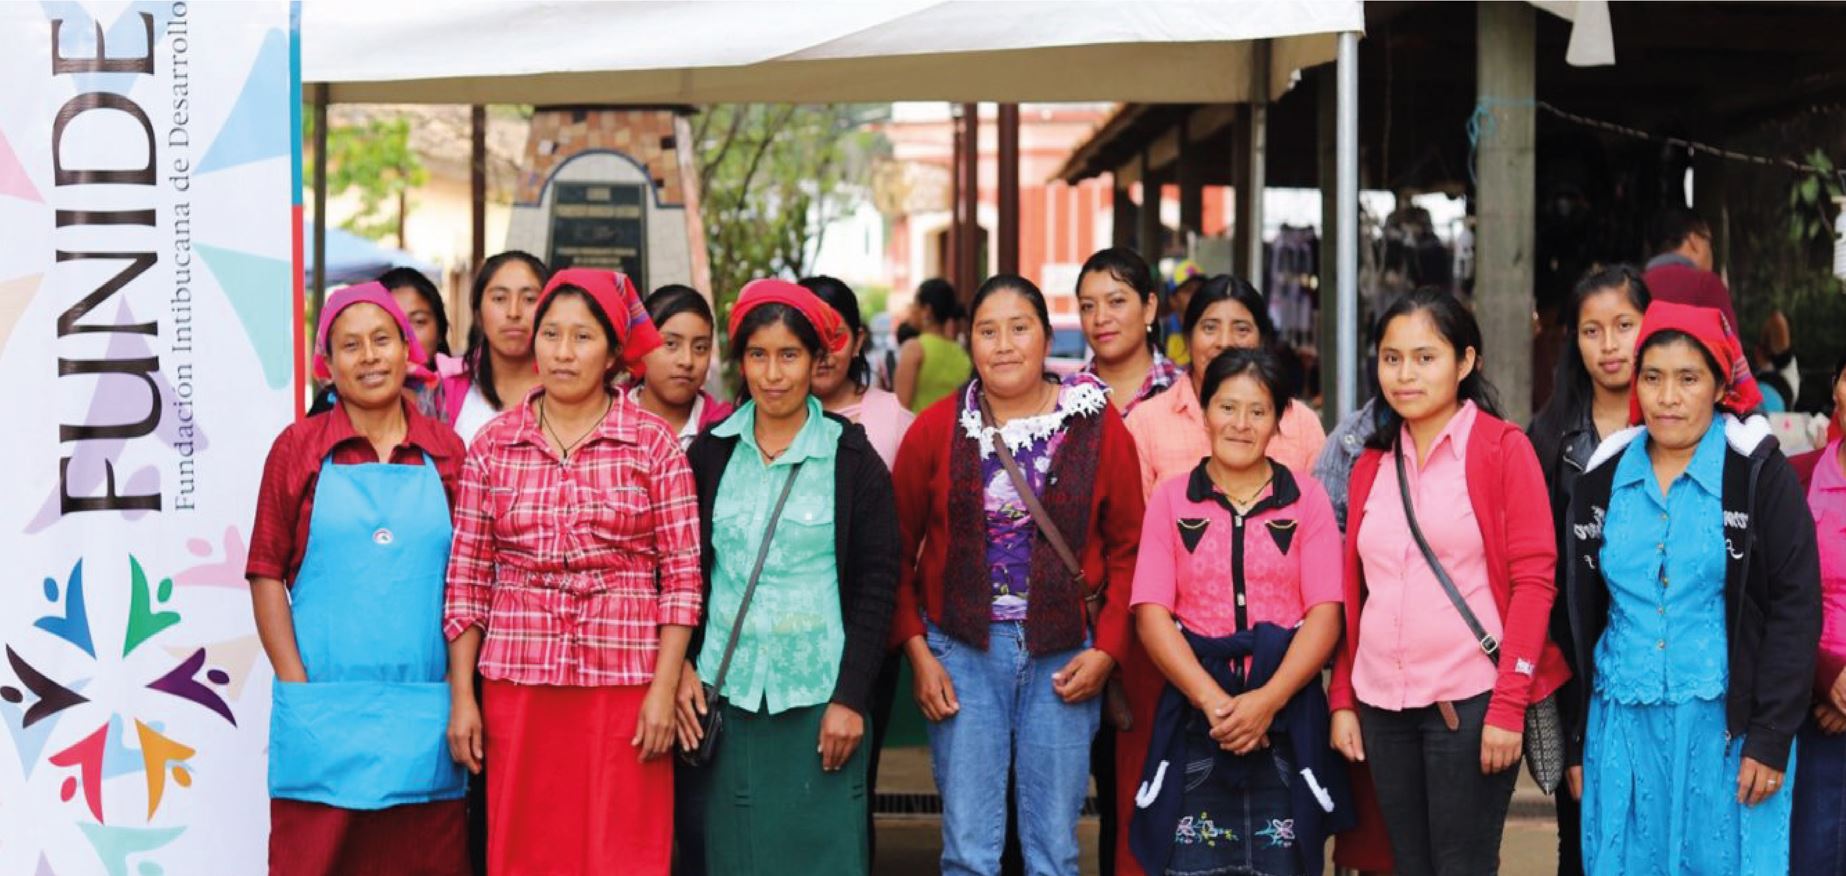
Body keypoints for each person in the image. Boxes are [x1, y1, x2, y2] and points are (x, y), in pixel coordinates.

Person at [443, 269, 697, 875]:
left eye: (582, 337)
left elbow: (683, 579)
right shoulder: (493, 446)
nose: (562, 351)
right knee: (528, 847)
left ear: (611, 354)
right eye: (551, 334)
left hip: (627, 681)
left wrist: (663, 690)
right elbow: (466, 581)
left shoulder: (654, 444)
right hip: (520, 681)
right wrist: (463, 699)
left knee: (622, 849)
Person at [891, 274, 1145, 875]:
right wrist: (920, 656)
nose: (1004, 345)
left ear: (1046, 338)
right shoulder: (935, 428)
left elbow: (1131, 550)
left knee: (1054, 851)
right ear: (969, 341)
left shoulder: (1096, 425)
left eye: (1019, 328)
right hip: (961, 655)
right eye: (988, 331)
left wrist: (1107, 651)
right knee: (969, 851)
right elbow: (894, 553)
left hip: (1066, 657)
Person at [1561, 301, 1820, 875]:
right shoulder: (1603, 476)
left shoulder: (1755, 473)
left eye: (1688, 379)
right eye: (1653, 378)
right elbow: (1577, 610)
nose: (1668, 397)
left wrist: (1771, 735)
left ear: (1721, 386)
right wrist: (1576, 736)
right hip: (1622, 728)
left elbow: (1795, 605)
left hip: (1727, 735)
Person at [1326, 287, 1570, 876]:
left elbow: (1534, 582)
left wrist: (1508, 707)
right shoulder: (1369, 464)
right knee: (1406, 865)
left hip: (1470, 703)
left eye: (1425, 357)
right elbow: (1359, 595)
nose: (1405, 374)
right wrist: (1343, 700)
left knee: (1462, 865)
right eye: (1392, 358)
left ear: (1465, 362)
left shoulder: (1502, 450)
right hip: (1382, 704)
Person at [672, 279, 901, 876]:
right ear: (740, 362)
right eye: (758, 355)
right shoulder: (709, 455)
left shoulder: (852, 460)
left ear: (817, 360)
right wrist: (683, 667)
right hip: (726, 701)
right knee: (733, 858)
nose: (772, 374)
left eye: (789, 355)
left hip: (820, 707)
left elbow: (877, 586)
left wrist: (851, 698)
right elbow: (681, 572)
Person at [248, 282, 469, 876]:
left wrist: (460, 689)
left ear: (407, 348)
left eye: (381, 340)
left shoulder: (448, 451)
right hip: (322, 713)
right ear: (327, 362)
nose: (369, 357)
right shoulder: (297, 449)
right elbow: (266, 573)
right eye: (350, 345)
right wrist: (295, 685)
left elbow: (469, 582)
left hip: (424, 715)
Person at [1126, 347, 1353, 876]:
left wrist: (1266, 702)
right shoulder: (1171, 500)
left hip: (1288, 720)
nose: (1241, 424)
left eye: (1258, 411)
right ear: (1205, 413)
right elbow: (1151, 613)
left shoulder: (1308, 500)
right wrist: (1215, 704)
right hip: (1196, 722)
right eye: (1227, 407)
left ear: (1279, 419)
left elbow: (1326, 612)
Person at [1525, 264, 1650, 876]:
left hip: (1663, 660)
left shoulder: (1679, 427)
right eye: (1591, 330)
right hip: (1578, 668)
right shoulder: (1549, 439)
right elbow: (1537, 570)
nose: (1610, 345)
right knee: (1582, 838)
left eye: (1625, 325)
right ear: (1572, 340)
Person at [1127, 275, 1328, 499]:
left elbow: (1318, 513)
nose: (1224, 343)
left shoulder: (1301, 424)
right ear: (1188, 337)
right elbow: (1133, 520)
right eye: (1210, 328)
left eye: (1241, 329)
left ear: (1262, 341)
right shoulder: (1146, 424)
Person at [1792, 353, 1846, 872]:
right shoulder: (1795, 479)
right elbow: (1773, 597)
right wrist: (1825, 677)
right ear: (1836, 386)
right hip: (1813, 717)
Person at [801, 275, 917, 469]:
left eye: (835, 336)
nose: (822, 352)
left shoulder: (895, 419)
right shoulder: (762, 419)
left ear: (857, 342)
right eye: (810, 337)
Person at [446, 251, 548, 445]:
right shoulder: (446, 392)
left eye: (529, 299)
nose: (514, 313)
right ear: (478, 313)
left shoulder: (568, 389)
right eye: (500, 298)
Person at [1077, 247, 1183, 417]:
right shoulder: (1064, 400)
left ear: (1149, 308)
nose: (1100, 318)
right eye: (1088, 306)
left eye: (1116, 301)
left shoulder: (1184, 392)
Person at [632, 283, 733, 448]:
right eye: (671, 344)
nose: (687, 361)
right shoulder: (604, 416)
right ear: (642, 344)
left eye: (700, 348)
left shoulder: (726, 431)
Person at [1641, 207, 1740, 335]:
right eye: (1709, 242)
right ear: (1693, 240)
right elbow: (1731, 344)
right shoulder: (1705, 284)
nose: (1711, 251)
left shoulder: (1632, 287)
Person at [894, 277, 973, 413]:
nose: (912, 309)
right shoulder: (962, 354)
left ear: (927, 310)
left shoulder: (914, 348)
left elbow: (901, 408)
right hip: (953, 426)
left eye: (915, 304)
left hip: (920, 425)